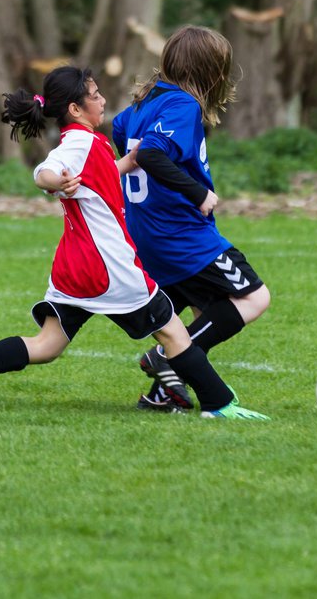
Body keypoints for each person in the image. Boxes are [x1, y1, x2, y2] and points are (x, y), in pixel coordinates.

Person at [0, 64, 267, 420]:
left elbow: (99, 176)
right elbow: (44, 171)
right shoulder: (80, 143)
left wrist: (130, 160)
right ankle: (219, 404)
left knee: (47, 345)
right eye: (94, 95)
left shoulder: (91, 145)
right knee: (174, 334)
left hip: (73, 267)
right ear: (75, 109)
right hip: (109, 267)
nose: (102, 99)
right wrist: (53, 181)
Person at [111, 25, 272, 412]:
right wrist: (198, 193)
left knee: (207, 309)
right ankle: (168, 358)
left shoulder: (140, 105)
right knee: (253, 297)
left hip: (149, 234)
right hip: (182, 237)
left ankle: (165, 394)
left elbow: (121, 133)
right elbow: (150, 155)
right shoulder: (183, 104)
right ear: (211, 73)